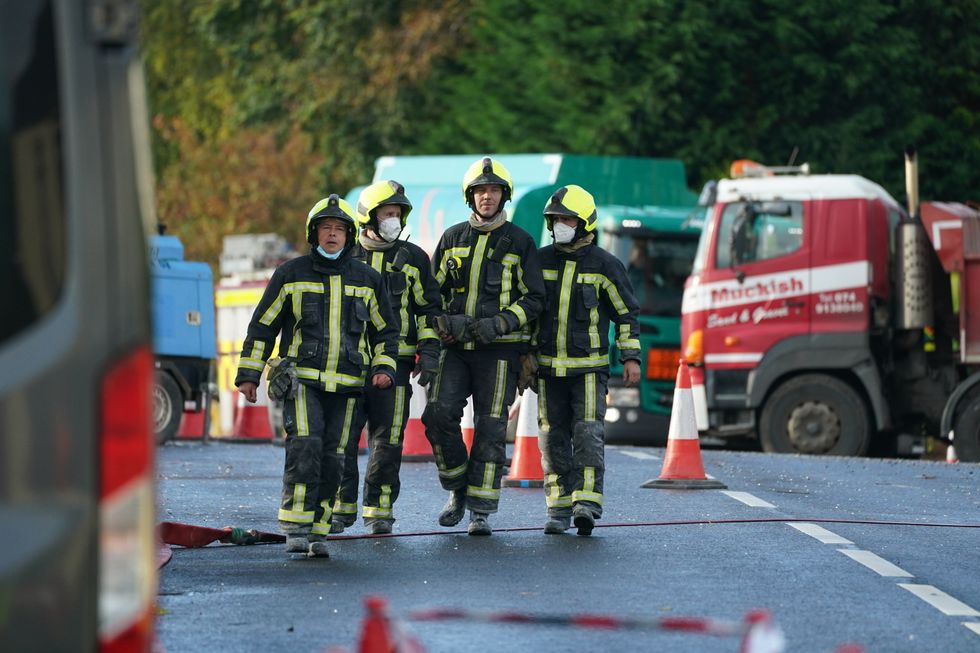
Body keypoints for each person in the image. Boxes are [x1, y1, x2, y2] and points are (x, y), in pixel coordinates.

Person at [235, 194, 399, 557]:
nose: (332, 234)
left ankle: (319, 531)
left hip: (349, 386)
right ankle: (296, 527)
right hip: (303, 383)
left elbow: (386, 332)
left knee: (335, 457)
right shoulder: (290, 274)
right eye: (326, 227)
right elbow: (263, 327)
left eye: (339, 229)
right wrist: (249, 373)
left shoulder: (368, 279)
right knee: (305, 447)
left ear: (349, 236)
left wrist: (385, 367)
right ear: (314, 233)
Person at [422, 156, 545, 536]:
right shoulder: (452, 238)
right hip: (455, 350)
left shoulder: (521, 242)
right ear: (470, 196)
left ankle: (481, 510)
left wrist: (501, 323)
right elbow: (430, 295)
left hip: (500, 352)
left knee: (491, 428)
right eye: (480, 191)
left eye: (493, 190)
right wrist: (443, 324)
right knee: (437, 415)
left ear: (503, 196)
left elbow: (534, 299)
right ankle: (457, 486)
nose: (486, 197)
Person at [331, 180, 442, 535]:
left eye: (397, 214)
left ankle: (379, 510)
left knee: (388, 439)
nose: (394, 220)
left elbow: (428, 310)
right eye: (387, 214)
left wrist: (429, 351)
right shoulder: (346, 257)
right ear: (368, 217)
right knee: (343, 438)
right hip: (349, 364)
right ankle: (340, 508)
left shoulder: (413, 259)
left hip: (397, 364)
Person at [532, 185, 641, 536]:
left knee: (588, 432)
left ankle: (587, 503)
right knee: (551, 436)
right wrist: (524, 357)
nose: (559, 226)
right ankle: (558, 506)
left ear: (584, 223)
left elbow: (626, 314)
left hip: (589, 370)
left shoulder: (606, 265)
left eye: (566, 220)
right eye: (555, 220)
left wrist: (631, 357)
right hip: (548, 369)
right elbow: (528, 312)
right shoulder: (540, 261)